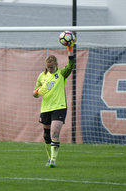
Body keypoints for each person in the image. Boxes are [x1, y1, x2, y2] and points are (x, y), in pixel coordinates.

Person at [32, 37, 75, 168]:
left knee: (55, 132)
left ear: (56, 65)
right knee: (46, 136)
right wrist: (37, 91)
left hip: (59, 106)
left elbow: (71, 65)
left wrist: (70, 49)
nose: (49, 69)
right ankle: (49, 157)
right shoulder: (41, 76)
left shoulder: (62, 73)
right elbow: (34, 94)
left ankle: (53, 161)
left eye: (51, 67)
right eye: (48, 67)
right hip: (46, 108)